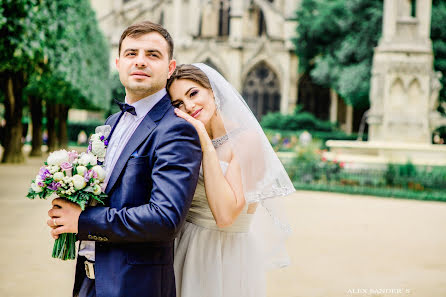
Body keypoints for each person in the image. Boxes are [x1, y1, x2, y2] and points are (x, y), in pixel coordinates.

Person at [46, 21, 202, 297]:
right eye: (131, 53)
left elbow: (165, 218)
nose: (140, 61)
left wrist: (82, 221)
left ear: (170, 68)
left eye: (152, 54)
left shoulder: (176, 129)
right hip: (89, 281)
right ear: (118, 63)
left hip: (135, 286)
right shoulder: (112, 122)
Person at [167, 63, 295, 297]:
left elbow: (225, 215)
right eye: (178, 104)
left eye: (193, 93)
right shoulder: (185, 142)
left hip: (222, 255)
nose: (189, 106)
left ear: (212, 90)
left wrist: (206, 143)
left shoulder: (246, 140)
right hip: (184, 247)